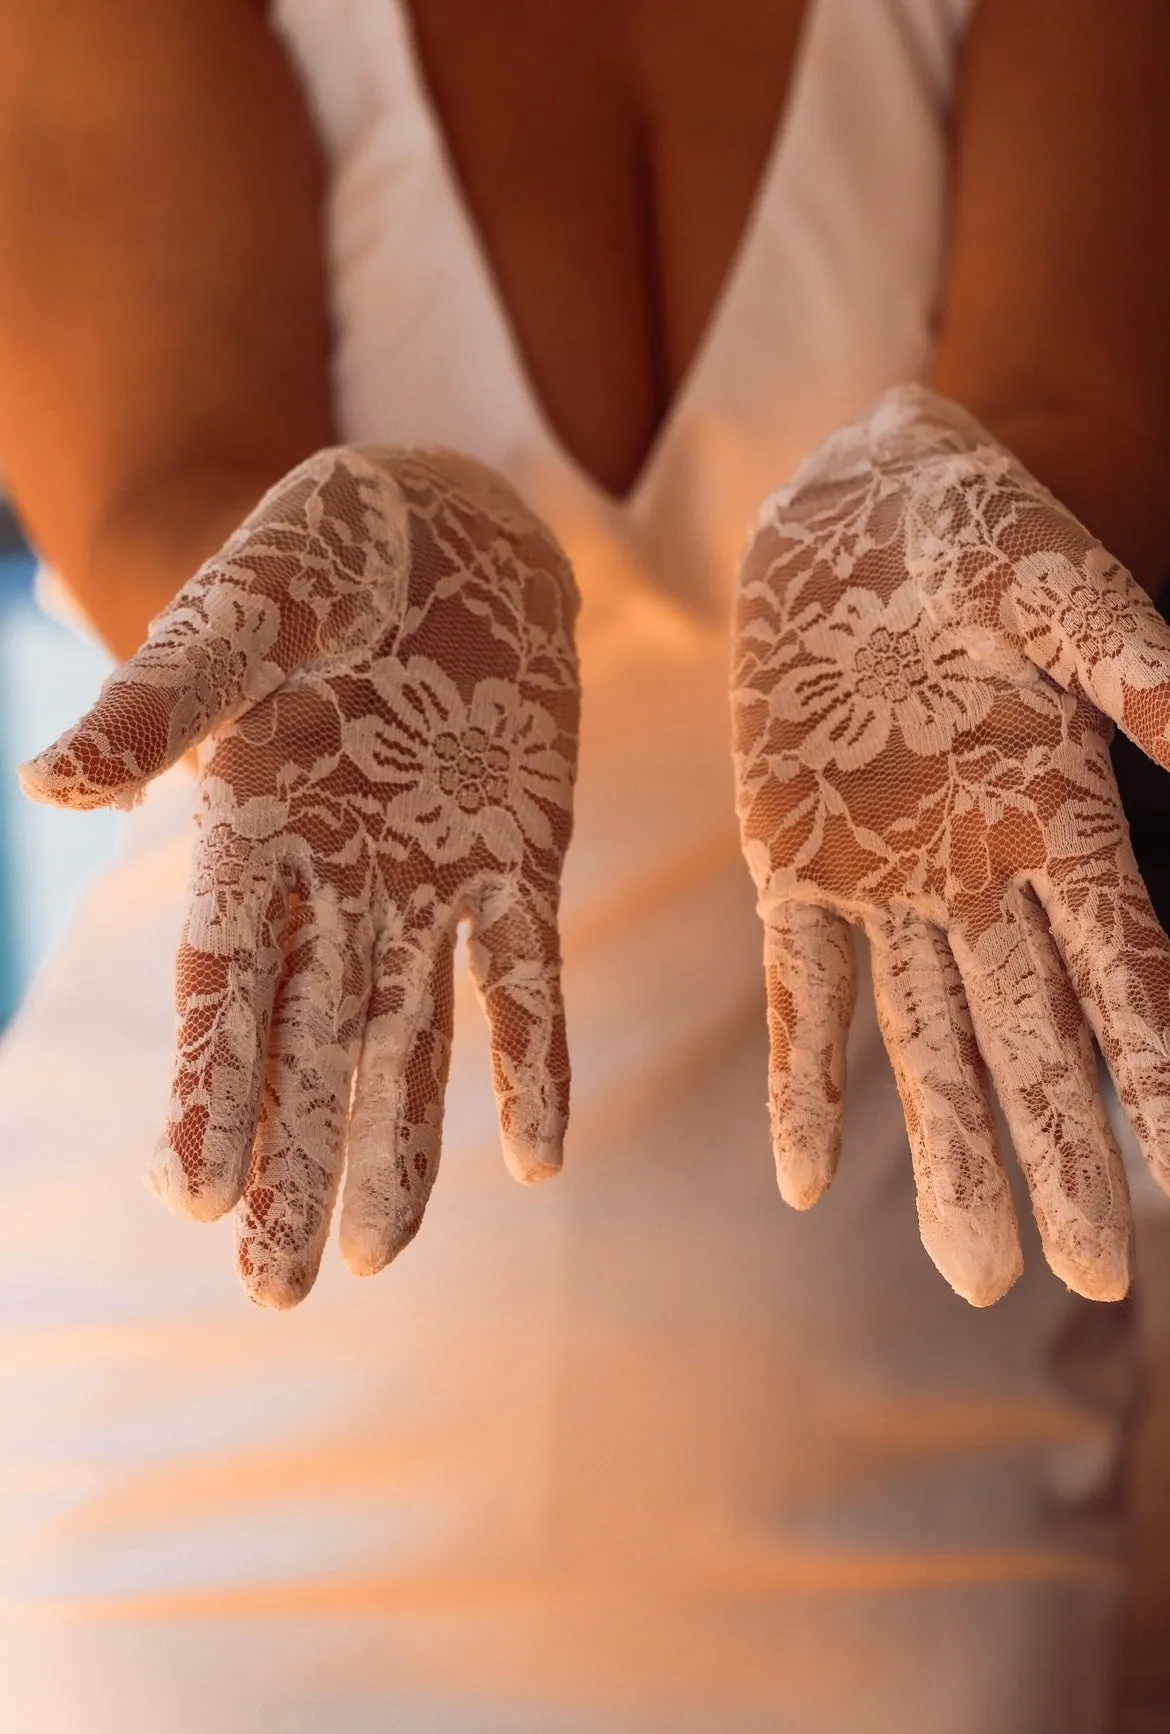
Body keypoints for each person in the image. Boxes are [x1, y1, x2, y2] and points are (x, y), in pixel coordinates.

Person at [1, 0, 1169, 1728]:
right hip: (213, 1446)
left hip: (916, 1451)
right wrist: (329, 574)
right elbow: (169, 465)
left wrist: (957, 517)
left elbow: (1084, 399)